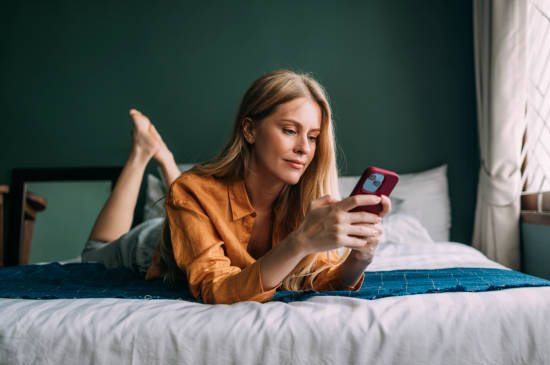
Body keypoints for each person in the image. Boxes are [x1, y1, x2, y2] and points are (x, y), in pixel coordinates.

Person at [82, 70, 391, 304]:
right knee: (92, 254)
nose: (304, 148)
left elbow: (320, 278)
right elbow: (216, 288)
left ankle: (165, 160)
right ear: (249, 130)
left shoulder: (305, 200)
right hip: (150, 247)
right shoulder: (191, 191)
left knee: (188, 192)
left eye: (312, 137)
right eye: (289, 130)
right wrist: (301, 241)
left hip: (196, 213)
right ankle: (142, 153)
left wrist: (358, 258)